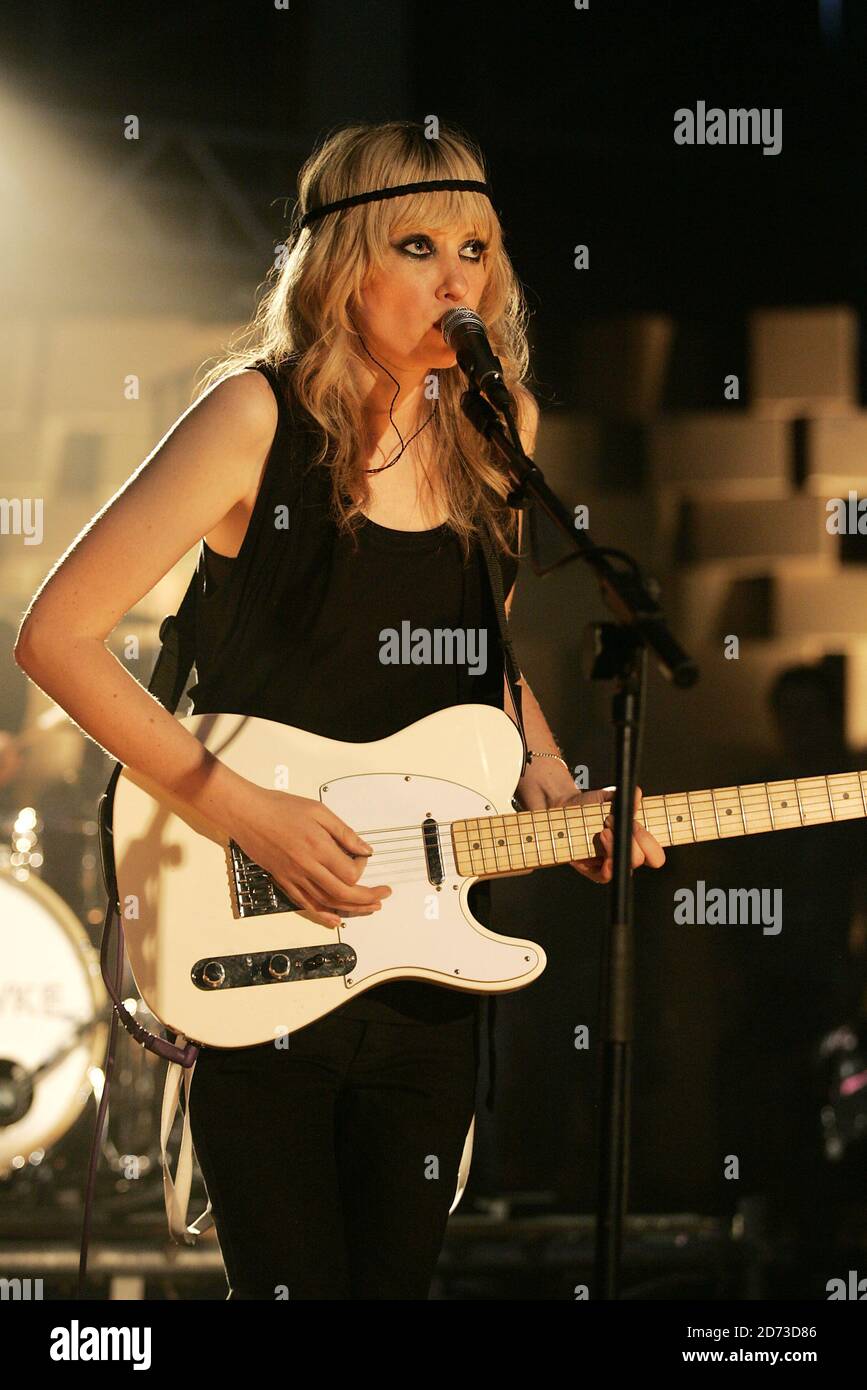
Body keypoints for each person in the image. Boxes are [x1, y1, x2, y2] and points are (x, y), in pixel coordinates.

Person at [13, 119, 665, 1300]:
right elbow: (55, 635)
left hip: (421, 948)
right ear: (339, 261)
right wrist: (241, 810)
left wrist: (555, 781)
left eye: (476, 249)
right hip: (259, 937)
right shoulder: (250, 417)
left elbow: (483, 653)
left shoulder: (495, 425)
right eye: (417, 246)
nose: (455, 279)